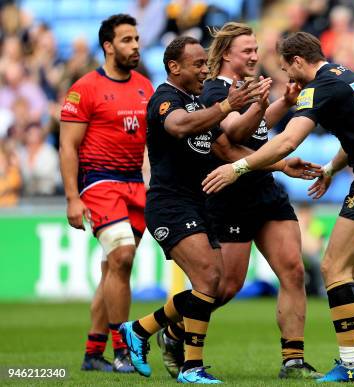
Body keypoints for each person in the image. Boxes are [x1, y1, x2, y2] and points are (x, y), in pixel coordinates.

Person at [203, 31, 354, 382]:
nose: (289, 77)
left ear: (299, 61)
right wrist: (332, 167)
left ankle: (351, 363)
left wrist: (238, 167)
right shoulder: (351, 76)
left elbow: (287, 141)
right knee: (348, 269)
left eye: (288, 69)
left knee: (332, 266)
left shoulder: (320, 87)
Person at [119, 36, 320, 384]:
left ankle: (158, 342)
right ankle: (162, 344)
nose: (203, 69)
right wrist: (230, 106)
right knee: (214, 282)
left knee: (214, 283)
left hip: (199, 201)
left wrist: (279, 161)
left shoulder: (199, 101)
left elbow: (229, 148)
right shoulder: (167, 99)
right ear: (174, 67)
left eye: (203, 63)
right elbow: (180, 126)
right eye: (197, 64)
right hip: (173, 203)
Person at [59, 14, 154, 373]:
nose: (135, 46)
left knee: (114, 269)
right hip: (99, 182)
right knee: (124, 256)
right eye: (127, 40)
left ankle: (92, 353)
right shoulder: (85, 88)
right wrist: (72, 197)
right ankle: (123, 351)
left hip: (133, 183)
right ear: (108, 46)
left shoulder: (145, 85)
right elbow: (68, 147)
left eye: (137, 39)